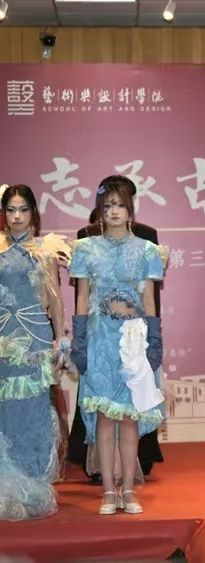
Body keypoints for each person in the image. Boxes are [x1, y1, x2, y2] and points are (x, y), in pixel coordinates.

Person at [70, 175, 167, 514]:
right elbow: (82, 297)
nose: (114, 211)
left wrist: (155, 340)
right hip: (99, 342)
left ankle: (129, 489)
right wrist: (79, 339)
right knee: (103, 419)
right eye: (108, 205)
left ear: (130, 209)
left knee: (129, 419)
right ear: (100, 210)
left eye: (120, 205)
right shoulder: (85, 248)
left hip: (133, 342)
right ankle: (108, 491)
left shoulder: (147, 250)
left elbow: (149, 299)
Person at [0, 185, 68, 520]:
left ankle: (32, 487)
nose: (17, 217)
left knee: (34, 411)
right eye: (11, 210)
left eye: (23, 209)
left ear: (33, 213)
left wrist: (61, 339)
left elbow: (54, 299)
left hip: (35, 337)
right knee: (5, 412)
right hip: (3, 338)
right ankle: (5, 489)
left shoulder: (45, 250)